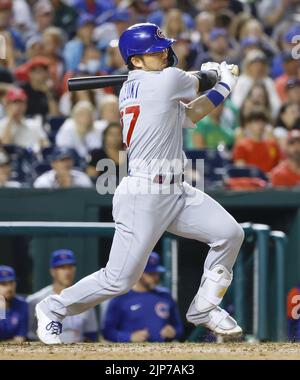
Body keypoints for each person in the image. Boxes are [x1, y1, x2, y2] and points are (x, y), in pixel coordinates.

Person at [36, 23, 244, 344]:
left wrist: (221, 83)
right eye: (154, 52)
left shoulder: (145, 86)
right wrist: (220, 76)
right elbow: (200, 81)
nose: (163, 54)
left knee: (229, 234)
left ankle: (205, 307)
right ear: (135, 61)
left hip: (176, 190)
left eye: (163, 49)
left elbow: (190, 116)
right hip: (144, 193)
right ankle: (53, 307)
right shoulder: (166, 82)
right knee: (118, 280)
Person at [102, 252, 183, 342]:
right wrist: (129, 337)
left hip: (163, 353)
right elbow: (107, 332)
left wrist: (174, 332)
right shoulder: (121, 298)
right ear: (139, 273)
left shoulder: (165, 295)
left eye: (157, 273)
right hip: (130, 353)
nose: (156, 277)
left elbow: (178, 327)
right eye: (151, 274)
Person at [27, 249, 98, 343]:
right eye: (62, 267)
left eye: (70, 267)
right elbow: (30, 337)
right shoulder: (36, 300)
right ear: (52, 271)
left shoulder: (86, 299)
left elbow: (91, 335)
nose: (67, 272)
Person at [0, 87, 49, 152]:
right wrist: (11, 118)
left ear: (25, 105)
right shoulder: (2, 124)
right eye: (15, 102)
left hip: (33, 157)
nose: (19, 106)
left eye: (21, 102)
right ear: (8, 105)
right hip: (14, 159)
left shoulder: (33, 123)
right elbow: (5, 145)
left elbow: (46, 144)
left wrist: (39, 147)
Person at [233, 108, 280, 173]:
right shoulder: (241, 146)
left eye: (263, 121)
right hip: (251, 181)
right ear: (248, 124)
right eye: (256, 122)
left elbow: (280, 165)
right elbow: (241, 170)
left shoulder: (273, 144)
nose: (260, 125)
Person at [0, 265, 28, 342]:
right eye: (3, 284)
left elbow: (20, 338)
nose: (9, 288)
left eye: (11, 283)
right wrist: (1, 312)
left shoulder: (22, 304)